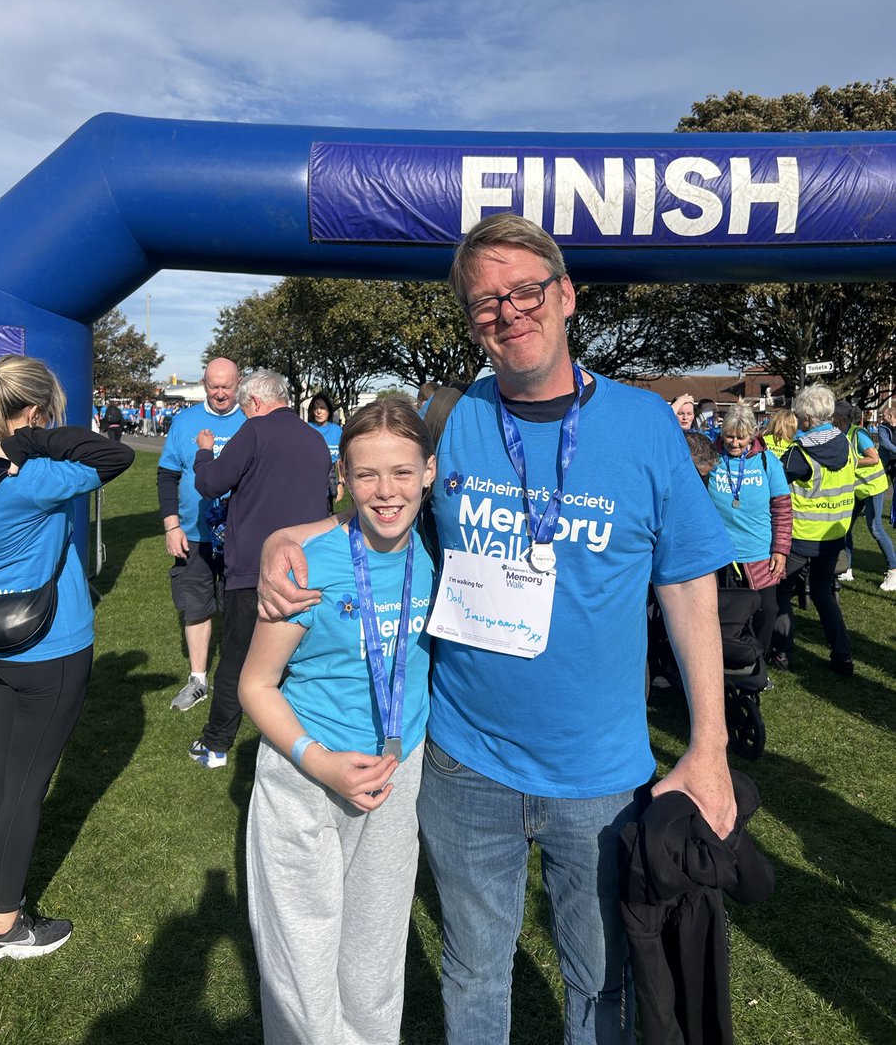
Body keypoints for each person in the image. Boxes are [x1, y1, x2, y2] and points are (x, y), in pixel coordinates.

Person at [258, 213, 736, 1044]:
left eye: (526, 291)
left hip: (600, 775)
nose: (509, 312)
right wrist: (282, 539)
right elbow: (381, 512)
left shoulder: (645, 424)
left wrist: (711, 746)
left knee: (601, 984)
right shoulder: (454, 419)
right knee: (474, 973)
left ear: (567, 295)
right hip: (465, 764)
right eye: (487, 302)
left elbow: (688, 586)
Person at [240, 398, 436, 1045]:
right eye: (367, 475)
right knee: (301, 961)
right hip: (303, 779)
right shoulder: (307, 564)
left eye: (402, 472)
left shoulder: (438, 554)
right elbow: (255, 685)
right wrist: (318, 761)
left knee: (375, 962)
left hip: (396, 776)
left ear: (429, 472)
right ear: (343, 477)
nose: (386, 492)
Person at [0, 356, 133, 961]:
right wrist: (27, 441)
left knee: (1, 778)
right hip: (49, 646)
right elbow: (113, 454)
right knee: (23, 788)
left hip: (1, 645)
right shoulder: (36, 477)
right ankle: (6, 926)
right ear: (32, 413)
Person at [188, 370, 331, 769]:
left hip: (255, 567)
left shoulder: (254, 431)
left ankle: (216, 744)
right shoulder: (316, 438)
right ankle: (301, 742)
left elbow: (211, 483)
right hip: (307, 566)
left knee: (238, 657)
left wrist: (204, 453)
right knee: (298, 661)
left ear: (253, 402)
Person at [157, 358, 246, 711]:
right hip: (193, 535)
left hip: (240, 536)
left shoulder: (252, 420)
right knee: (195, 606)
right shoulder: (184, 421)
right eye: (213, 387)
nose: (220, 393)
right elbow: (167, 476)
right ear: (204, 384)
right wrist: (171, 525)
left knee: (242, 608)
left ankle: (244, 681)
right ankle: (198, 680)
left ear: (239, 383)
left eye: (227, 386)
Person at [772, 385, 856, 674]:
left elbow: (774, 480)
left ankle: (782, 653)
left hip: (801, 534)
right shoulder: (846, 443)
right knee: (822, 592)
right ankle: (842, 654)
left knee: (781, 593)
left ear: (806, 419)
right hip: (833, 534)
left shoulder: (800, 453)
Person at [706, 405, 792, 656]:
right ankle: (723, 658)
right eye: (729, 436)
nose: (734, 442)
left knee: (767, 610)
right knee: (721, 610)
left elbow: (782, 509)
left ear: (753, 435)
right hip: (720, 554)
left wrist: (780, 550)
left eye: (741, 437)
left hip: (759, 552)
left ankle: (758, 659)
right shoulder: (712, 458)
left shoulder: (767, 462)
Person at [831, 401, 896, 590]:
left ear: (840, 418)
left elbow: (873, 458)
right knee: (845, 527)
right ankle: (847, 568)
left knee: (875, 528)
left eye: (832, 417)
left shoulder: (859, 434)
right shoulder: (840, 434)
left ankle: (893, 570)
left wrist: (849, 462)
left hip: (872, 487)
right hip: (857, 489)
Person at [307, 391, 344, 509]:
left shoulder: (337, 431)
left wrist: (341, 483)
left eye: (322, 408)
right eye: (315, 408)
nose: (319, 411)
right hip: (310, 482)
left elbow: (340, 460)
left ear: (329, 410)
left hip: (330, 480)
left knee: (328, 515)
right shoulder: (307, 429)